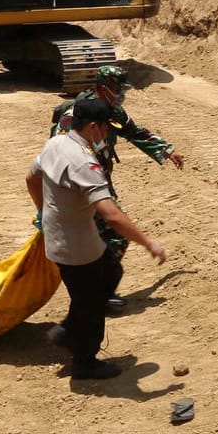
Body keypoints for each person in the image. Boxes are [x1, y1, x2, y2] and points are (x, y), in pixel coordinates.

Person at [27, 96, 166, 380]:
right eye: (105, 128)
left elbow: (31, 179)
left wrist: (44, 211)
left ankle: (67, 330)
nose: (107, 134)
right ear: (93, 127)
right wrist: (148, 242)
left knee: (110, 272)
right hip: (78, 249)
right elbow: (110, 215)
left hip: (65, 239)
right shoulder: (84, 163)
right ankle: (84, 362)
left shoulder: (55, 144)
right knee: (90, 305)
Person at [50, 64, 184, 308]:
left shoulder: (113, 110)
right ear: (104, 88)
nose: (123, 95)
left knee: (102, 237)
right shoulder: (75, 113)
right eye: (119, 90)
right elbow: (60, 151)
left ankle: (95, 292)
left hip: (98, 180)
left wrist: (166, 149)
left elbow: (134, 131)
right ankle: (97, 296)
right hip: (79, 185)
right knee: (115, 233)